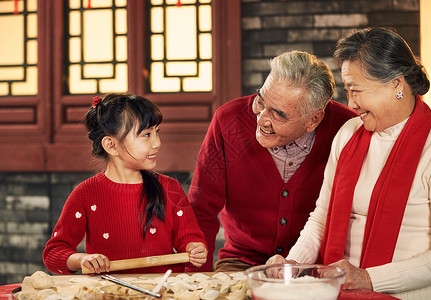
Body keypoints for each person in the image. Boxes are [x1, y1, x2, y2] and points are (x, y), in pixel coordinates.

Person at [266, 27, 431, 299]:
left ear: (396, 84)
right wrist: (293, 264)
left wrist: (367, 278)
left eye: (356, 90)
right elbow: (321, 218)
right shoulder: (348, 134)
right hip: (342, 290)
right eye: (347, 89)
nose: (351, 103)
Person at [187, 50, 357, 272]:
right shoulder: (228, 121)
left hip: (317, 265)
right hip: (243, 263)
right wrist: (194, 281)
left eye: (278, 114)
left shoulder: (347, 129)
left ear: (313, 119)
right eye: (261, 101)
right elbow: (201, 209)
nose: (261, 119)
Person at [43, 94, 207, 275]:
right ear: (111, 145)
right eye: (146, 135)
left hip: (164, 289)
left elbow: (189, 238)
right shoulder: (85, 193)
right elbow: (54, 252)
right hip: (108, 293)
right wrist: (82, 259)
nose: (157, 143)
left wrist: (194, 249)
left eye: (157, 132)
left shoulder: (170, 188)